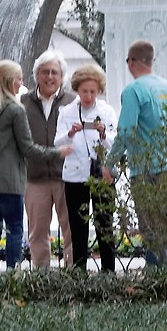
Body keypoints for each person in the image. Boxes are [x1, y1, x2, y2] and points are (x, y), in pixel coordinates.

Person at [0, 59, 67, 268]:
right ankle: (12, 277)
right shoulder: (16, 110)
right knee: (14, 228)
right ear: (9, 81)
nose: (21, 84)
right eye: (19, 79)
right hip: (9, 179)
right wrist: (57, 153)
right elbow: (28, 149)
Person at [115, 39, 167, 264]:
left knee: (150, 227)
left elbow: (126, 130)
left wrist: (109, 162)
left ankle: (157, 277)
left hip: (145, 170)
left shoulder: (134, 90)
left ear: (131, 62)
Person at [56, 62, 119, 273]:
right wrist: (71, 133)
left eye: (93, 91)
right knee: (78, 226)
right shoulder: (66, 112)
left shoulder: (107, 111)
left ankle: (108, 272)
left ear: (99, 91)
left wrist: (103, 133)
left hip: (101, 174)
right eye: (85, 91)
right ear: (77, 90)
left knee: (105, 224)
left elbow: (115, 142)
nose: (89, 96)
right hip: (75, 175)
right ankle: (79, 272)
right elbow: (58, 142)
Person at [19, 52, 75, 268]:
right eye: (45, 72)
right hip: (34, 178)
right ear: (37, 75)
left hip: (67, 176)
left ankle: (74, 276)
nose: (50, 77)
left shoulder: (72, 101)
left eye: (54, 72)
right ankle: (41, 277)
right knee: (37, 232)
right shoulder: (23, 103)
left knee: (71, 230)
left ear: (61, 76)